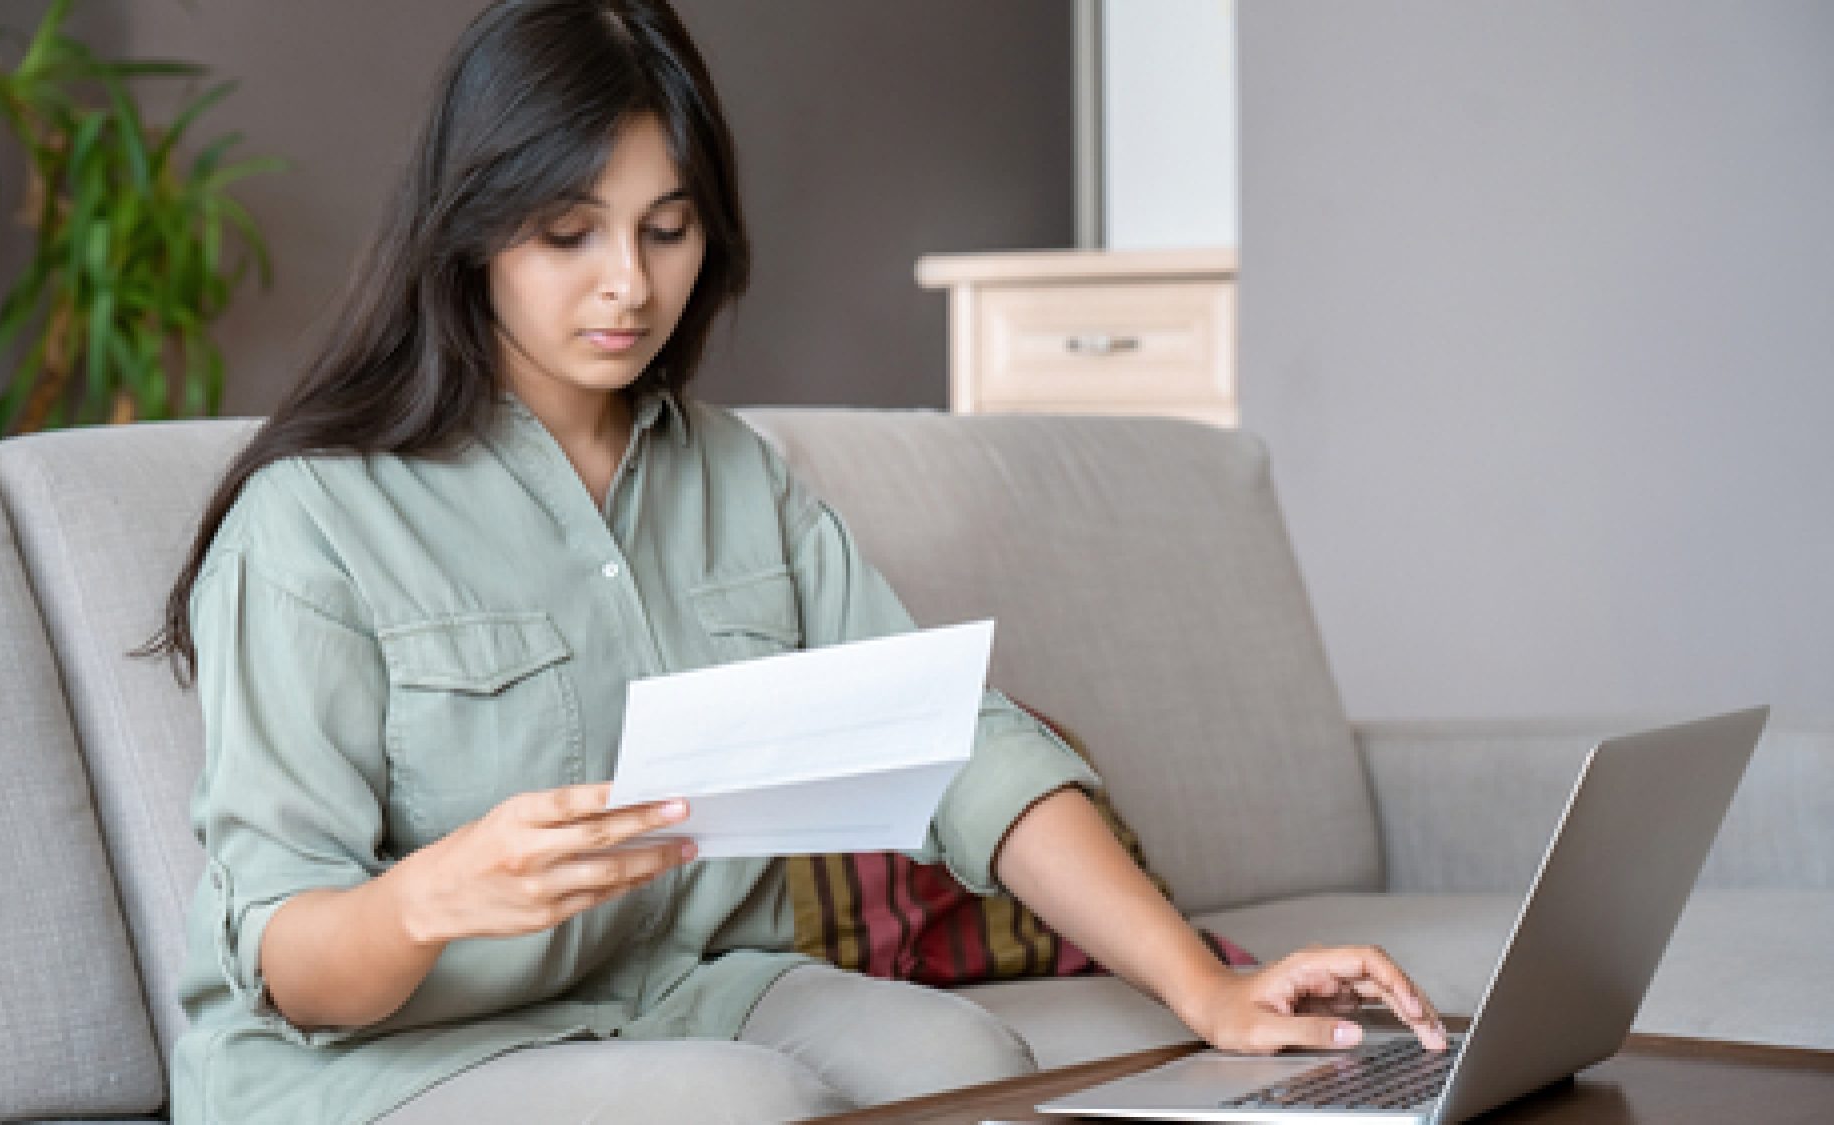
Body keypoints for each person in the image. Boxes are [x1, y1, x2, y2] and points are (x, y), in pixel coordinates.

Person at [147, 2, 1448, 1121]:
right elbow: (288, 956)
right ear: (472, 230)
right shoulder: (312, 518)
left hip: (693, 989)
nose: (628, 285)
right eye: (568, 233)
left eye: (667, 229)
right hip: (381, 1057)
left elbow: (958, 744)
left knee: (967, 1065)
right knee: (742, 1107)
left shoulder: (737, 479)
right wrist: (430, 898)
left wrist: (1205, 986)